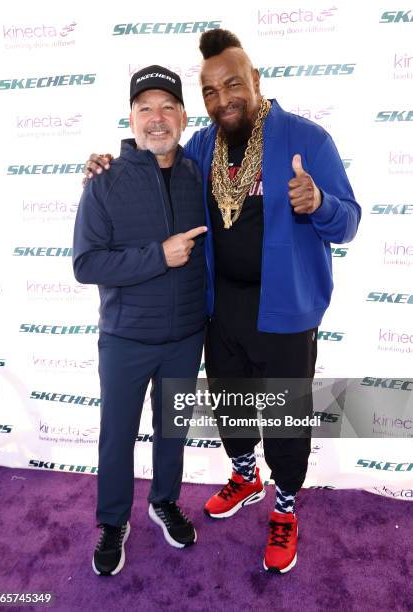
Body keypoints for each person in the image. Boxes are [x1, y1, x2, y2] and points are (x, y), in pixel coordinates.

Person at [84, 29, 361, 574]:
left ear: (255, 81)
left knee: (284, 419)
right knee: (232, 406)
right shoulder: (203, 148)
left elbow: (347, 221)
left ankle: (284, 508)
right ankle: (244, 476)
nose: (223, 98)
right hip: (221, 306)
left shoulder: (307, 139)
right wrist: (105, 163)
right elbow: (155, 163)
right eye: (210, 91)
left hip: (286, 311)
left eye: (233, 84)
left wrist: (320, 202)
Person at [73, 65, 208, 576]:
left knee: (171, 430)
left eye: (167, 107)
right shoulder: (105, 180)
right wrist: (158, 255)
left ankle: (164, 501)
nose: (157, 118)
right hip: (126, 337)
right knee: (117, 435)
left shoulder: (198, 174)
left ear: (182, 117)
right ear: (131, 118)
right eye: (146, 108)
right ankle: (112, 521)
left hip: (185, 334)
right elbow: (86, 264)